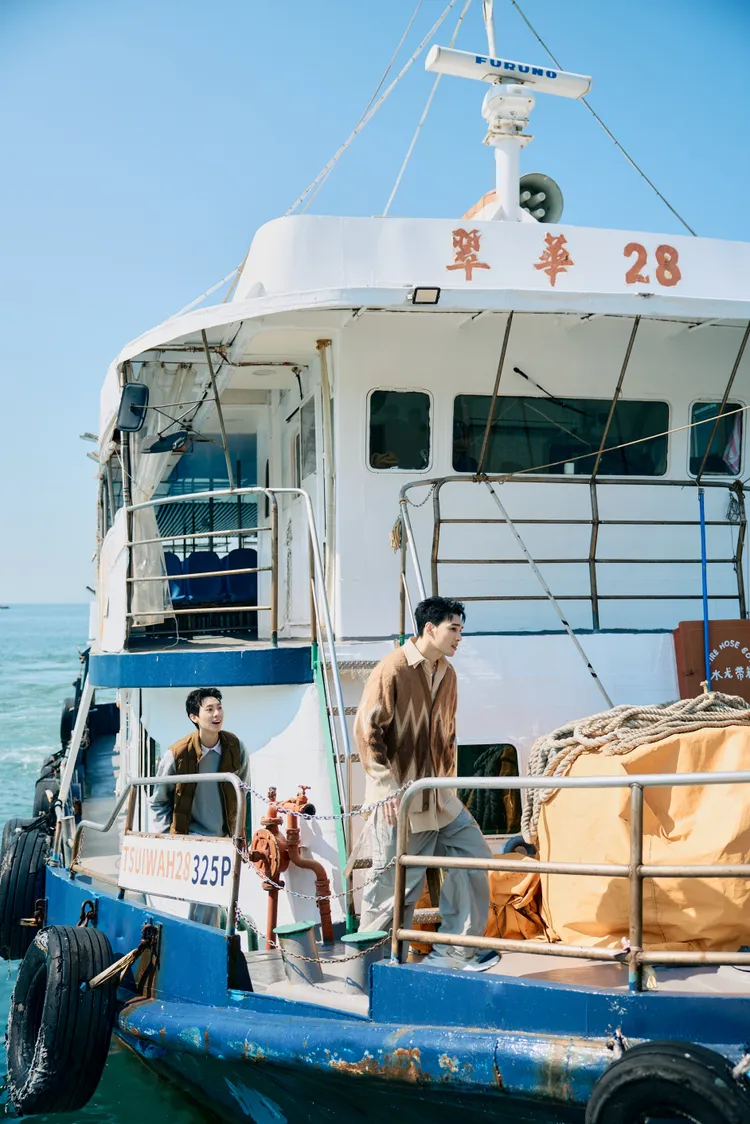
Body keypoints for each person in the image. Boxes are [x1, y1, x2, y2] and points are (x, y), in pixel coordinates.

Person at [354, 597, 497, 971]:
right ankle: (374, 967)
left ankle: (456, 949)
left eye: (461, 630)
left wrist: (448, 786)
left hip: (439, 796)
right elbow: (368, 730)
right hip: (400, 798)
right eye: (454, 629)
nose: (459, 638)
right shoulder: (393, 668)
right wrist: (385, 790)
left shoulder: (448, 674)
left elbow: (448, 737)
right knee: (394, 888)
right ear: (430, 628)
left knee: (475, 853)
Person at [150, 687, 249, 837]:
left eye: (219, 708)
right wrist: (168, 840)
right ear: (194, 717)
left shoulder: (236, 747)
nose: (217, 714)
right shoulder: (177, 754)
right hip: (191, 841)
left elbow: (243, 790)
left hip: (227, 839)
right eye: (209, 710)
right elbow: (158, 801)